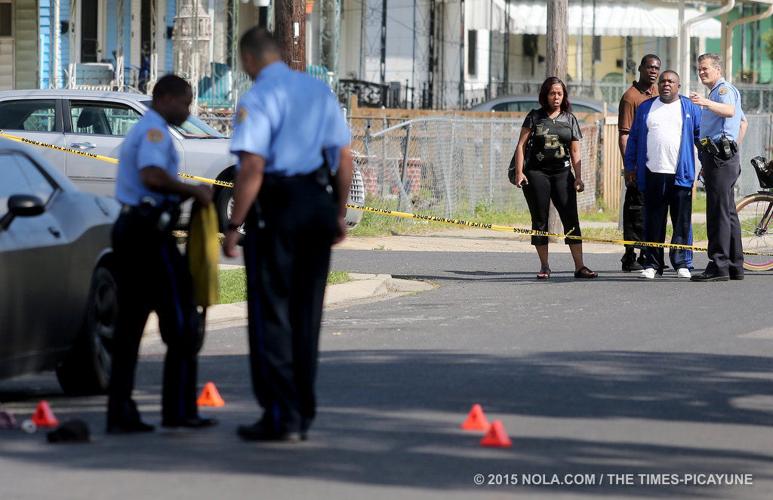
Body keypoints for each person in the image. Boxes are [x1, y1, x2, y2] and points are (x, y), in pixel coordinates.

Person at [222, 27, 353, 442]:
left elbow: (252, 167)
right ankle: (302, 411)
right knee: (306, 315)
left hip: (277, 211)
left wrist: (233, 226)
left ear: (248, 59)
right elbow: (344, 158)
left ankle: (281, 414)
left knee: (272, 313)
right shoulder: (318, 91)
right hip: (316, 205)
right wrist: (338, 213)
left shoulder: (258, 97)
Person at [107, 74, 216, 433]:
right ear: (166, 98)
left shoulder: (147, 128)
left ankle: (120, 412)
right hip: (148, 235)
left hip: (134, 230)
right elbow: (152, 176)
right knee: (182, 321)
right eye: (185, 103)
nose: (188, 111)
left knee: (129, 326)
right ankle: (179, 409)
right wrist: (193, 191)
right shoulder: (154, 131)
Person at [513, 77, 597, 280]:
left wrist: (578, 178)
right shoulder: (534, 117)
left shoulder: (570, 119)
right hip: (536, 174)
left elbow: (575, 151)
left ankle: (580, 266)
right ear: (545, 95)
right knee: (540, 220)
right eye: (552, 93)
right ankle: (544, 266)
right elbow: (521, 145)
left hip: (562, 174)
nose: (556, 97)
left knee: (571, 219)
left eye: (559, 93)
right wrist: (519, 172)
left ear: (564, 96)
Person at [624, 71, 702, 279]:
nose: (666, 84)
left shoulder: (689, 107)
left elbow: (700, 137)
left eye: (671, 81)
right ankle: (652, 263)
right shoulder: (646, 107)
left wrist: (706, 164)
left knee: (681, 222)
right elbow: (633, 139)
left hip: (681, 174)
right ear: (657, 86)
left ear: (678, 86)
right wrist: (630, 166)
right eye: (663, 81)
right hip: (653, 174)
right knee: (653, 221)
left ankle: (682, 263)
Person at [690, 53, 748, 282]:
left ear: (718, 69)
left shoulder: (723, 91)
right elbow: (743, 123)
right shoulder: (718, 92)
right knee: (728, 212)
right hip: (721, 157)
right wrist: (732, 149)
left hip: (720, 159)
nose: (701, 72)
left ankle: (719, 265)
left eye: (705, 68)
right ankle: (734, 265)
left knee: (718, 212)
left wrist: (705, 103)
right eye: (699, 69)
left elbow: (730, 111)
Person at [618, 54, 661, 272]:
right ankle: (629, 255)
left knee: (652, 209)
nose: (653, 71)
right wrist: (630, 167)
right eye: (649, 67)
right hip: (638, 164)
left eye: (656, 68)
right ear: (641, 69)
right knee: (634, 210)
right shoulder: (631, 97)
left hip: (657, 163)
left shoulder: (659, 94)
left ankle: (648, 254)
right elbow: (624, 134)